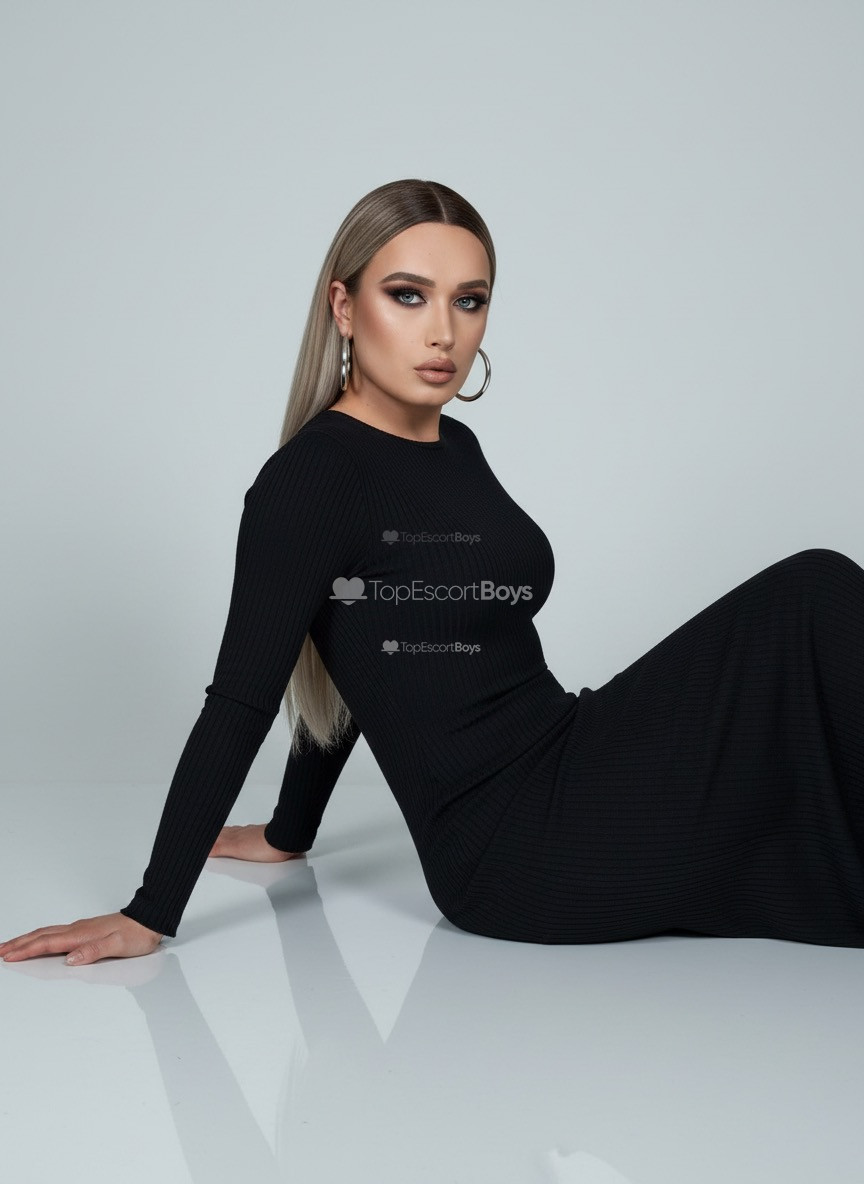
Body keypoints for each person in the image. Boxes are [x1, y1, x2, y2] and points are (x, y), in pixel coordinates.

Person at [2, 178, 863, 967]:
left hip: (570, 749)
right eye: (408, 295)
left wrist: (291, 830)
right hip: (514, 848)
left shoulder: (457, 445)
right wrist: (151, 910)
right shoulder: (310, 480)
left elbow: (373, 644)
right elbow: (242, 700)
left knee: (807, 604)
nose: (443, 332)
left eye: (469, 300)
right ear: (344, 306)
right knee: (813, 593)